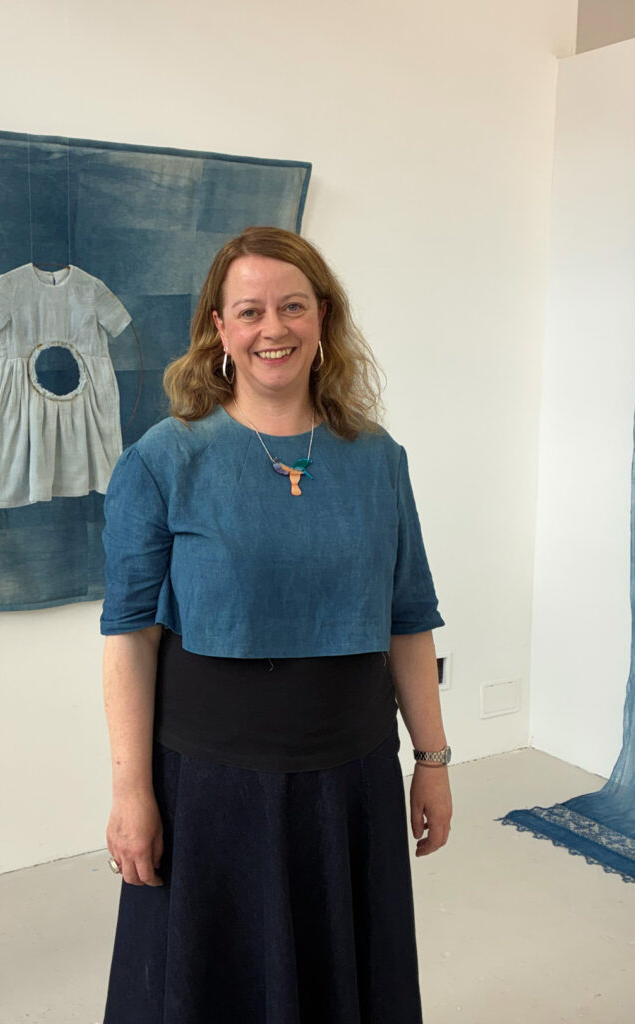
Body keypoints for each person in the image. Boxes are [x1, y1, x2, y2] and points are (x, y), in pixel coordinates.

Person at [99, 226, 452, 1023]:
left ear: (322, 318)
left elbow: (407, 620)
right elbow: (130, 636)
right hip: (213, 788)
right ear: (218, 330)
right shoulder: (163, 460)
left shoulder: (378, 459)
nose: (274, 329)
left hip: (352, 777)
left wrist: (431, 760)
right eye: (250, 311)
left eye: (293, 306)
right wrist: (131, 793)